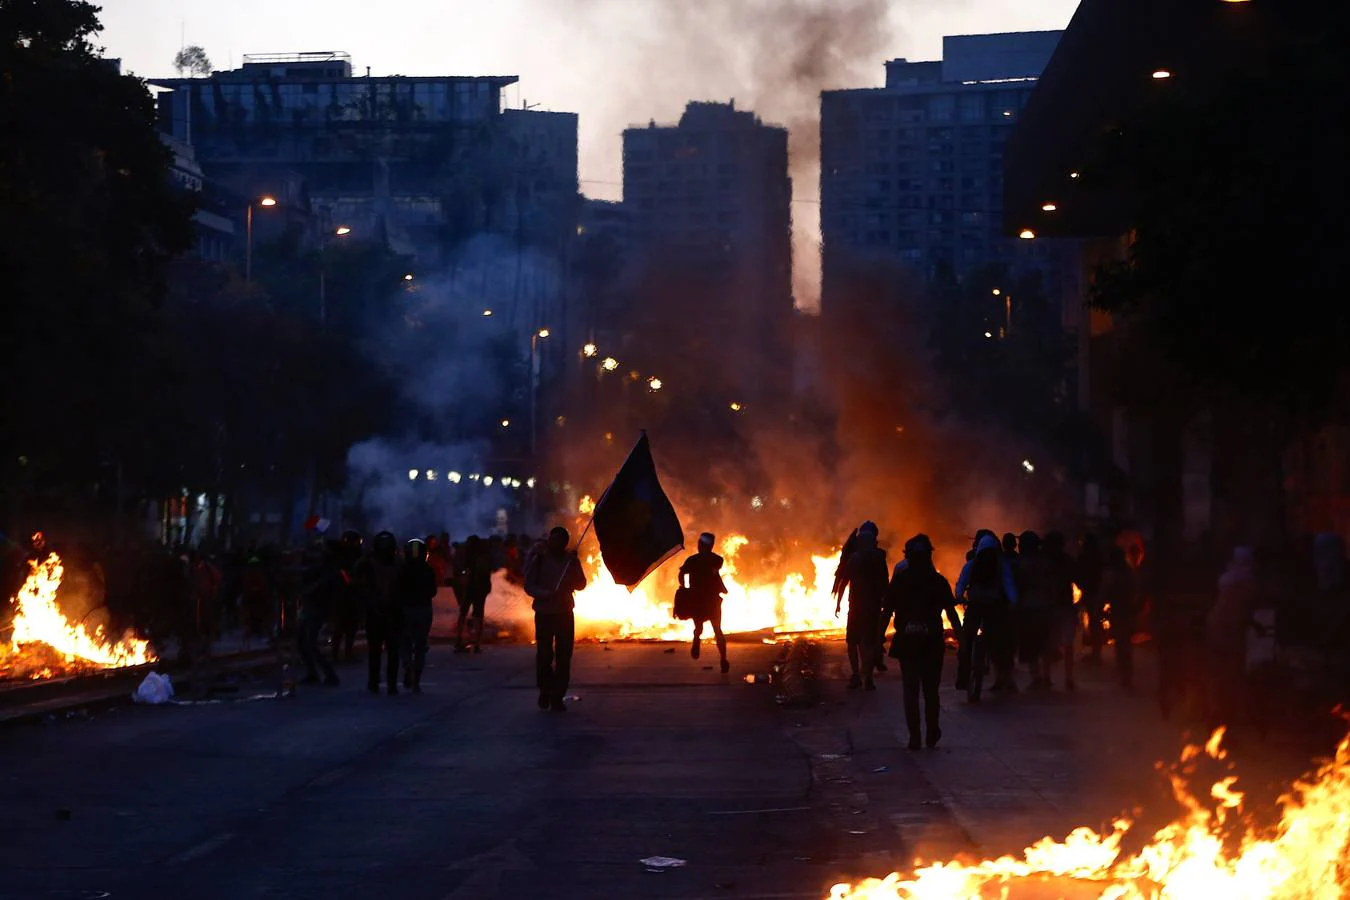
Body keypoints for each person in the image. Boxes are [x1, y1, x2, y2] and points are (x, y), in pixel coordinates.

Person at [887, 534, 962, 749]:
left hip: (908, 643)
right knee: (931, 691)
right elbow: (952, 613)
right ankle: (931, 732)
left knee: (910, 691)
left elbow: (886, 613)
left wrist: (875, 641)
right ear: (929, 556)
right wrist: (963, 641)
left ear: (908, 557)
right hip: (931, 642)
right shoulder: (937, 581)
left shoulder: (900, 581)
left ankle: (915, 737)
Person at [523, 526, 587, 712]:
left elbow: (582, 583)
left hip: (564, 613)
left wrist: (571, 577)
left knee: (564, 657)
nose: (554, 544)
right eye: (552, 540)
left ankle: (558, 696)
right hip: (544, 613)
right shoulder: (540, 559)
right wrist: (545, 594)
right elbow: (529, 585)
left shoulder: (571, 561)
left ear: (564, 543)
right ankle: (545, 689)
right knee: (544, 656)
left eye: (559, 541)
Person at [954, 533, 1020, 693]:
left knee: (966, 640)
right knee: (997, 642)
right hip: (993, 607)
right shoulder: (1001, 564)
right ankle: (1002, 677)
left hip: (975, 606)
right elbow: (1008, 584)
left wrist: (959, 597)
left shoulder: (972, 564)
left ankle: (963, 676)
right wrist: (1013, 602)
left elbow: (961, 583)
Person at [835, 521, 890, 691]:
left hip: (856, 607)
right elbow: (885, 582)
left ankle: (856, 675)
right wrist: (886, 602)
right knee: (869, 642)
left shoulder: (854, 558)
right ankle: (868, 677)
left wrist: (837, 603)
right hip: (873, 607)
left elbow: (844, 581)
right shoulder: (879, 558)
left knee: (853, 641)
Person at [354, 531, 401, 695]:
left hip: (388, 612)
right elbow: (359, 582)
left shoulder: (396, 565)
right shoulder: (373, 564)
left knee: (383, 651)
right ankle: (385, 683)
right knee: (384, 650)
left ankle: (381, 683)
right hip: (380, 612)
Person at [679, 532, 730, 673]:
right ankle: (723, 659)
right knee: (717, 630)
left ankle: (696, 636)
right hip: (712, 600)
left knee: (699, 625)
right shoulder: (716, 560)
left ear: (700, 545)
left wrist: (684, 588)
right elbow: (716, 572)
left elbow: (682, 573)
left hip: (697, 600)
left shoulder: (692, 560)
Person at [395, 538, 438, 693]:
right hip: (424, 610)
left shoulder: (402, 569)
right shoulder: (428, 569)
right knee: (420, 646)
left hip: (406, 610)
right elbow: (433, 592)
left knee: (405, 643)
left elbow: (396, 590)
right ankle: (416, 682)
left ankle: (407, 666)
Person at [296, 541, 343, 687]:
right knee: (302, 643)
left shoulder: (332, 569)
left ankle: (329, 674)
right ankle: (313, 673)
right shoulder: (324, 566)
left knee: (310, 644)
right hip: (310, 607)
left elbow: (324, 585)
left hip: (318, 608)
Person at [330, 530, 364, 663]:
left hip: (352, 595)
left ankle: (346, 653)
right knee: (342, 627)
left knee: (350, 627)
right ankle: (337, 654)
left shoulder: (356, 555)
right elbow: (342, 572)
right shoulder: (340, 556)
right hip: (343, 595)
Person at [456, 535, 491, 653]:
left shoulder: (468, 558)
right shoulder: (484, 559)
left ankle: (459, 640)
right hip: (479, 590)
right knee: (478, 616)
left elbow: (465, 575)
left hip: (471, 589)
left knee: (463, 614)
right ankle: (476, 643)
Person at [1076, 534, 1106, 663]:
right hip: (1094, 593)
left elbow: (1079, 574)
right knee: (1094, 623)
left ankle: (1096, 654)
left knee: (1094, 623)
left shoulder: (1087, 557)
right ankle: (1095, 652)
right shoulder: (1098, 557)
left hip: (1092, 594)